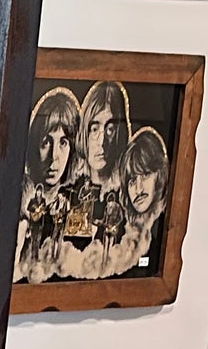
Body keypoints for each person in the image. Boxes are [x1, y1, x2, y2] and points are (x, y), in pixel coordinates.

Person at [63, 80, 131, 278]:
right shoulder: (69, 191)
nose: (101, 141)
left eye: (109, 129)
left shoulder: (127, 199)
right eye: (94, 128)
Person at [16, 86, 80, 282]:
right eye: (46, 142)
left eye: (63, 143)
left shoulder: (74, 201)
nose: (54, 157)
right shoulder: (21, 199)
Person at [112, 123, 170, 275]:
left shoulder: (165, 231)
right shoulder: (122, 232)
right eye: (132, 181)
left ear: (159, 175)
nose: (138, 189)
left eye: (145, 175)